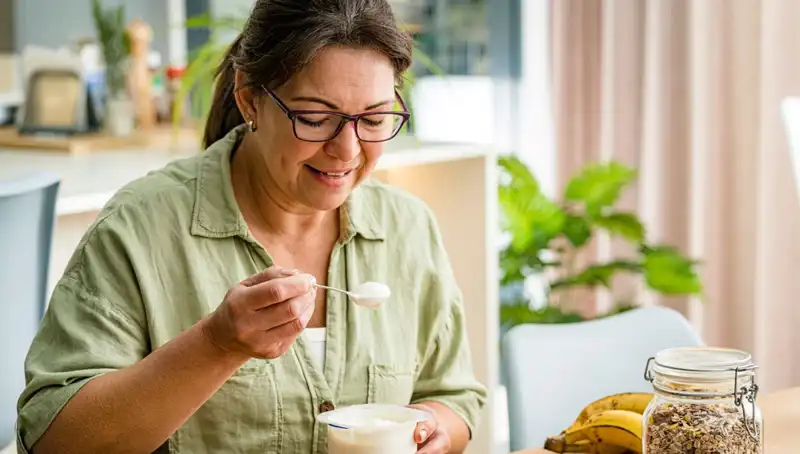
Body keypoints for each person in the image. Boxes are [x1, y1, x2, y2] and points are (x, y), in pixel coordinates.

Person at [15, 0, 487, 453]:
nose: (347, 150)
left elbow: (456, 397)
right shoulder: (142, 228)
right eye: (314, 118)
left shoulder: (407, 227)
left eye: (374, 118)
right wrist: (215, 345)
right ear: (249, 100)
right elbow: (52, 438)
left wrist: (434, 428)